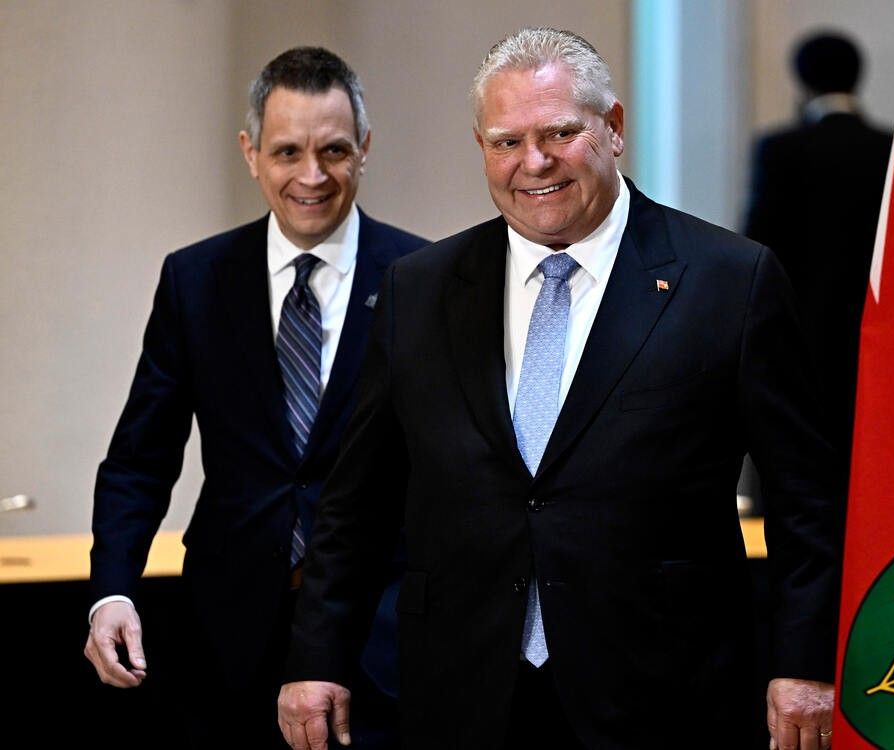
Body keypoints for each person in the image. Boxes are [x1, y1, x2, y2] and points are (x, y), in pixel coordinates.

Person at [279, 28, 842, 749]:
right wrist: (317, 659)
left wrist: (805, 665)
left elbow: (808, 501)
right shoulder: (419, 290)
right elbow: (357, 502)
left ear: (613, 128)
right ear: (480, 147)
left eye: (560, 133)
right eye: (507, 141)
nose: (533, 162)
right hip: (462, 693)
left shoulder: (729, 281)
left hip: (665, 696)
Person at [84, 46, 426, 749]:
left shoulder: (423, 281)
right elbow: (140, 461)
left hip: (381, 639)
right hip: (225, 642)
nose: (311, 175)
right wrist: (112, 588)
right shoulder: (196, 280)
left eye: (333, 150)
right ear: (250, 153)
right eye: (287, 151)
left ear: (364, 149)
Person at [744, 31, 892, 496]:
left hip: (796, 334)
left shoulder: (782, 149)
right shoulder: (890, 147)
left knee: (798, 473)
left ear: (802, 78)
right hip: (872, 335)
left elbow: (758, 247)